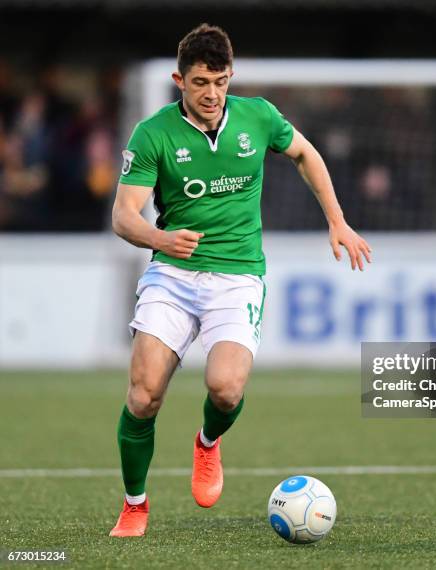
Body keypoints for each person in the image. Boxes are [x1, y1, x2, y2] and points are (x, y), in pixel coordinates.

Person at [109, 23, 371, 537]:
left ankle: (207, 442)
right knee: (143, 395)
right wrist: (160, 240)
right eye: (201, 82)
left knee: (226, 389)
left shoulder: (259, 117)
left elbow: (305, 154)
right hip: (173, 274)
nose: (212, 93)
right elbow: (124, 215)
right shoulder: (153, 134)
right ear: (178, 80)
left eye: (221, 81)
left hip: (238, 275)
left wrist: (337, 220)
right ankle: (134, 505)